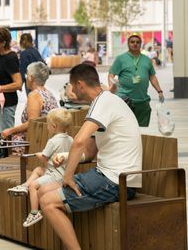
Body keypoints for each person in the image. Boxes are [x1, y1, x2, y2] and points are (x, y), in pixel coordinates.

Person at [38, 63, 142, 250]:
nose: (68, 90)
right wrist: (65, 157)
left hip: (118, 181)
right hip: (110, 176)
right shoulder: (103, 102)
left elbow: (78, 141)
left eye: (69, 85)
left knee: (48, 202)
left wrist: (67, 176)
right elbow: (90, 151)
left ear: (79, 84)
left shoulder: (104, 101)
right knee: (43, 190)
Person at [7, 109, 74, 228]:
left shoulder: (52, 141)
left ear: (54, 126)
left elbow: (44, 158)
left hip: (55, 176)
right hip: (62, 173)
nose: (47, 127)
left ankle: (34, 212)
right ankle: (24, 186)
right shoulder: (71, 140)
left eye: (48, 125)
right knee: (38, 169)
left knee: (34, 185)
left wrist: (39, 155)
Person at [0, 62, 58, 154]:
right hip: (46, 139)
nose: (25, 78)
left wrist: (10, 130)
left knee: (5, 138)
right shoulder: (49, 94)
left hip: (36, 143)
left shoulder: (34, 96)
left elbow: (31, 124)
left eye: (26, 75)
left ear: (31, 78)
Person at [108, 34, 164, 127]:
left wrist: (160, 91)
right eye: (132, 42)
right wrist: (112, 89)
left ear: (141, 44)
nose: (135, 44)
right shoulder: (121, 59)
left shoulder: (146, 60)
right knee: (125, 127)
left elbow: (152, 77)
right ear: (128, 44)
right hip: (124, 99)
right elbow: (111, 75)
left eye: (138, 42)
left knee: (141, 128)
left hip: (142, 100)